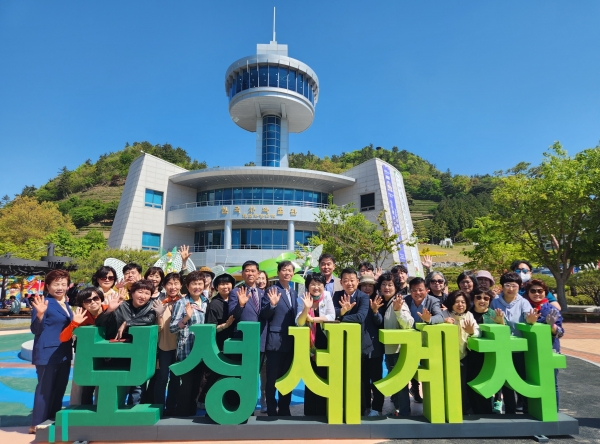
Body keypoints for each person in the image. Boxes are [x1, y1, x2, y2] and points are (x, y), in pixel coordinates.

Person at [29, 270, 74, 434]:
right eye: (56, 284)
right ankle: (37, 423)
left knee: (59, 387)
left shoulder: (65, 303)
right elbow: (36, 329)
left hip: (63, 352)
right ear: (48, 286)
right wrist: (40, 314)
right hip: (47, 353)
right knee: (45, 388)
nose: (60, 287)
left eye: (63, 284)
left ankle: (52, 419)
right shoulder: (44, 302)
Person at [490, 271, 539, 414]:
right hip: (502, 348)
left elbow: (528, 319)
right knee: (506, 382)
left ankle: (526, 410)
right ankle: (509, 411)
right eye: (507, 285)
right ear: (502, 286)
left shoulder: (524, 302)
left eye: (514, 286)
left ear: (519, 286)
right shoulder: (495, 301)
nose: (510, 289)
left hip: (519, 349)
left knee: (522, 379)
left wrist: (531, 320)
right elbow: (490, 321)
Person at [332, 268, 374, 415]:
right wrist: (341, 312)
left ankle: (362, 408)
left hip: (359, 345)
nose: (349, 283)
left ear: (357, 281)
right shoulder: (337, 295)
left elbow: (360, 317)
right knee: (342, 376)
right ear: (341, 282)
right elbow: (332, 314)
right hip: (341, 344)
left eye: (352, 280)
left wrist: (341, 317)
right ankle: (342, 406)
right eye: (346, 281)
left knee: (361, 378)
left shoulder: (363, 297)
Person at [260, 261, 298, 416]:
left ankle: (284, 408)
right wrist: (273, 305)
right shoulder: (272, 290)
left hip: (291, 342)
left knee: (287, 378)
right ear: (278, 272)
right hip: (275, 342)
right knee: (272, 379)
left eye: (290, 270)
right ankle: (271, 408)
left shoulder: (294, 293)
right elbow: (264, 314)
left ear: (293, 273)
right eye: (284, 270)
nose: (287, 273)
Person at [228, 260, 267, 411]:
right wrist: (241, 304)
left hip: (261, 340)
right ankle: (242, 406)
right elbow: (232, 315)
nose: (250, 273)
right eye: (247, 271)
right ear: (243, 273)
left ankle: (254, 403)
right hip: (243, 341)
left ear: (258, 274)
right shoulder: (235, 292)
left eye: (253, 271)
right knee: (244, 375)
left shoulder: (265, 293)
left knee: (257, 373)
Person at [170, 271, 209, 416]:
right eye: (194, 284)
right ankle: (181, 416)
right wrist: (186, 317)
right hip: (186, 350)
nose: (197, 287)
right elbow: (172, 328)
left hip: (202, 351)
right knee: (186, 386)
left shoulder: (206, 302)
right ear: (187, 286)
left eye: (200, 284)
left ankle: (191, 416)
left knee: (197, 386)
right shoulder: (181, 303)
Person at [295, 273, 335, 416]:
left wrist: (313, 319)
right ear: (308, 286)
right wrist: (306, 308)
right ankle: (310, 412)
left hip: (325, 341)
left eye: (319, 284)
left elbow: (332, 316)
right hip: (308, 343)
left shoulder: (328, 296)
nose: (316, 287)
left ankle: (323, 410)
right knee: (310, 376)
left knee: (324, 375)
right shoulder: (303, 298)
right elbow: (299, 322)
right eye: (312, 284)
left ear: (324, 286)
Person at [375, 272, 414, 418]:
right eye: (383, 284)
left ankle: (404, 411)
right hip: (389, 348)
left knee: (400, 382)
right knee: (395, 380)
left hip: (397, 349)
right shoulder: (383, 302)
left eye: (390, 285)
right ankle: (398, 408)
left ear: (396, 287)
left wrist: (398, 311)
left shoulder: (399, 302)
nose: (386, 287)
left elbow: (409, 323)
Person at [59, 287, 103, 406]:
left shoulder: (110, 310)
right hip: (88, 357)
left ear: (101, 299)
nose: (92, 302)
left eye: (95, 298)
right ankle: (85, 413)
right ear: (82, 304)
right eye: (87, 301)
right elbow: (63, 338)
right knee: (87, 388)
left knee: (105, 387)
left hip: (108, 356)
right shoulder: (80, 316)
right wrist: (75, 323)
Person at [403, 276, 444, 403]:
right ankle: (415, 389)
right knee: (410, 367)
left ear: (427, 290)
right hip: (410, 340)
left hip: (427, 341)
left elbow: (440, 317)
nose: (417, 293)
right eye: (414, 290)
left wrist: (429, 320)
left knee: (427, 367)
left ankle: (431, 395)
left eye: (420, 289)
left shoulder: (432, 301)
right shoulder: (405, 300)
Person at [524, 279, 564, 408]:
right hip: (529, 350)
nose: (537, 294)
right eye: (533, 291)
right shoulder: (524, 307)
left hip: (549, 348)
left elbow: (560, 332)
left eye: (540, 291)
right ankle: (529, 410)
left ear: (545, 292)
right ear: (528, 292)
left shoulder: (551, 309)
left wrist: (552, 326)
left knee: (551, 382)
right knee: (529, 381)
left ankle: (553, 410)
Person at [466, 289, 504, 414]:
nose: (482, 301)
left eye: (486, 298)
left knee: (485, 387)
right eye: (478, 297)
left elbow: (504, 335)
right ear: (473, 299)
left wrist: (501, 323)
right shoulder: (467, 314)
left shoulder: (495, 314)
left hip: (488, 358)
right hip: (470, 356)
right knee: (470, 385)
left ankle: (486, 413)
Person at [442, 290, 480, 414]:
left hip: (462, 356)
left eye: (463, 302)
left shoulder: (468, 314)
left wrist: (471, 332)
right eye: (457, 302)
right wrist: (444, 324)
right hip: (445, 357)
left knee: (462, 385)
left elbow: (477, 332)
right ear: (451, 303)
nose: (460, 305)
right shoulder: (444, 314)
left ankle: (463, 410)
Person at [154, 272, 183, 415]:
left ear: (181, 285)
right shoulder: (159, 302)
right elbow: (157, 328)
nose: (173, 287)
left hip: (180, 347)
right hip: (164, 346)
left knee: (176, 379)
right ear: (164, 286)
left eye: (176, 283)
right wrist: (159, 314)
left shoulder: (185, 301)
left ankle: (172, 407)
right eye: (169, 284)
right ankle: (159, 407)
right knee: (162, 378)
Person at [359, 274, 385, 416]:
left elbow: (380, 322)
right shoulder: (356, 299)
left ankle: (377, 407)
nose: (367, 288)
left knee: (376, 379)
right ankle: (364, 406)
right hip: (359, 346)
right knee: (362, 380)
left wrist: (375, 311)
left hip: (374, 347)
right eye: (364, 285)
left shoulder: (378, 300)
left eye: (370, 285)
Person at [255, 269, 269, 412]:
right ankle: (250, 400)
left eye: (263, 278)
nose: (261, 281)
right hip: (253, 340)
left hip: (266, 340)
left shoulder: (271, 294)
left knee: (265, 374)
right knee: (252, 373)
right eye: (258, 278)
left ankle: (264, 402)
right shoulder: (249, 294)